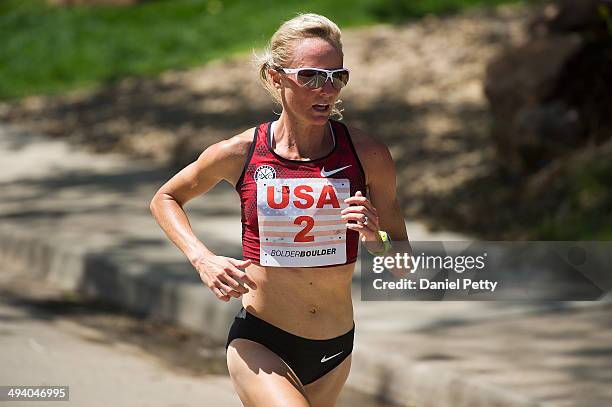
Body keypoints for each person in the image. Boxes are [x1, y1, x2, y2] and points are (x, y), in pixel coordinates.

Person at [149, 13, 408, 407]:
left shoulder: (368, 155)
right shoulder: (240, 152)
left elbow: (403, 262)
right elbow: (165, 198)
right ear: (275, 77)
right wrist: (202, 258)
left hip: (335, 346)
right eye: (311, 76)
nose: (327, 89)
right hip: (262, 341)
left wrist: (377, 239)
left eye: (338, 77)